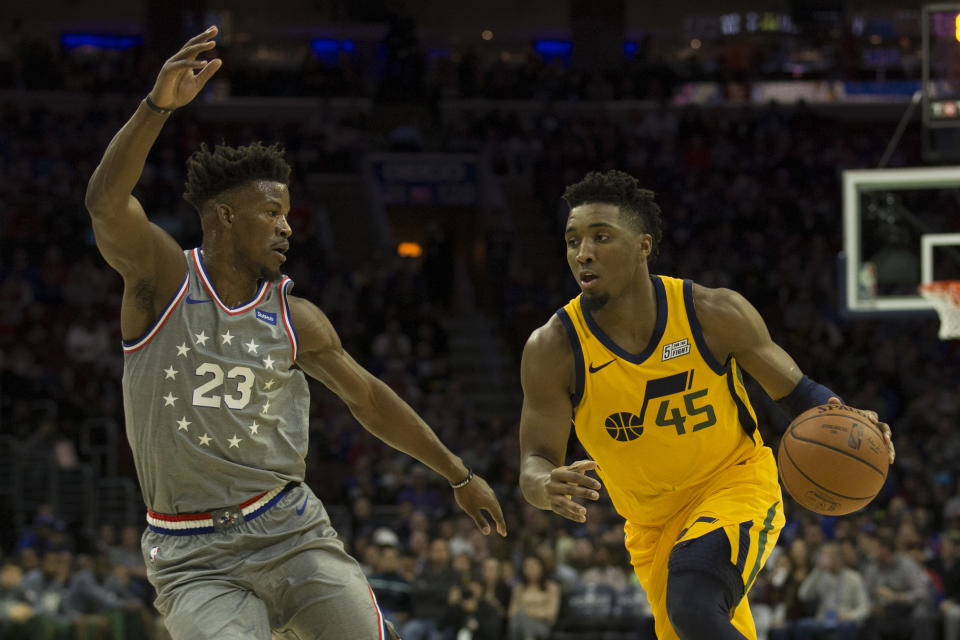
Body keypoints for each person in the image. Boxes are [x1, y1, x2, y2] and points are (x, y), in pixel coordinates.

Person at [83, 26, 506, 640]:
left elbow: (368, 398)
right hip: (191, 553)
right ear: (226, 217)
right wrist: (156, 109)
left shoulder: (295, 317)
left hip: (288, 527)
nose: (287, 227)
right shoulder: (163, 277)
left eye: (288, 213)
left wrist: (458, 474)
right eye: (272, 213)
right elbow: (104, 203)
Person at [517, 170, 895, 640]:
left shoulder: (712, 312)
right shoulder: (552, 348)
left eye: (601, 237)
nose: (583, 252)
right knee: (696, 620)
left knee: (693, 604)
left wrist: (849, 419)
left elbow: (799, 393)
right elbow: (534, 460)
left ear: (643, 246)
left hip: (734, 484)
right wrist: (542, 485)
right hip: (651, 527)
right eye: (573, 240)